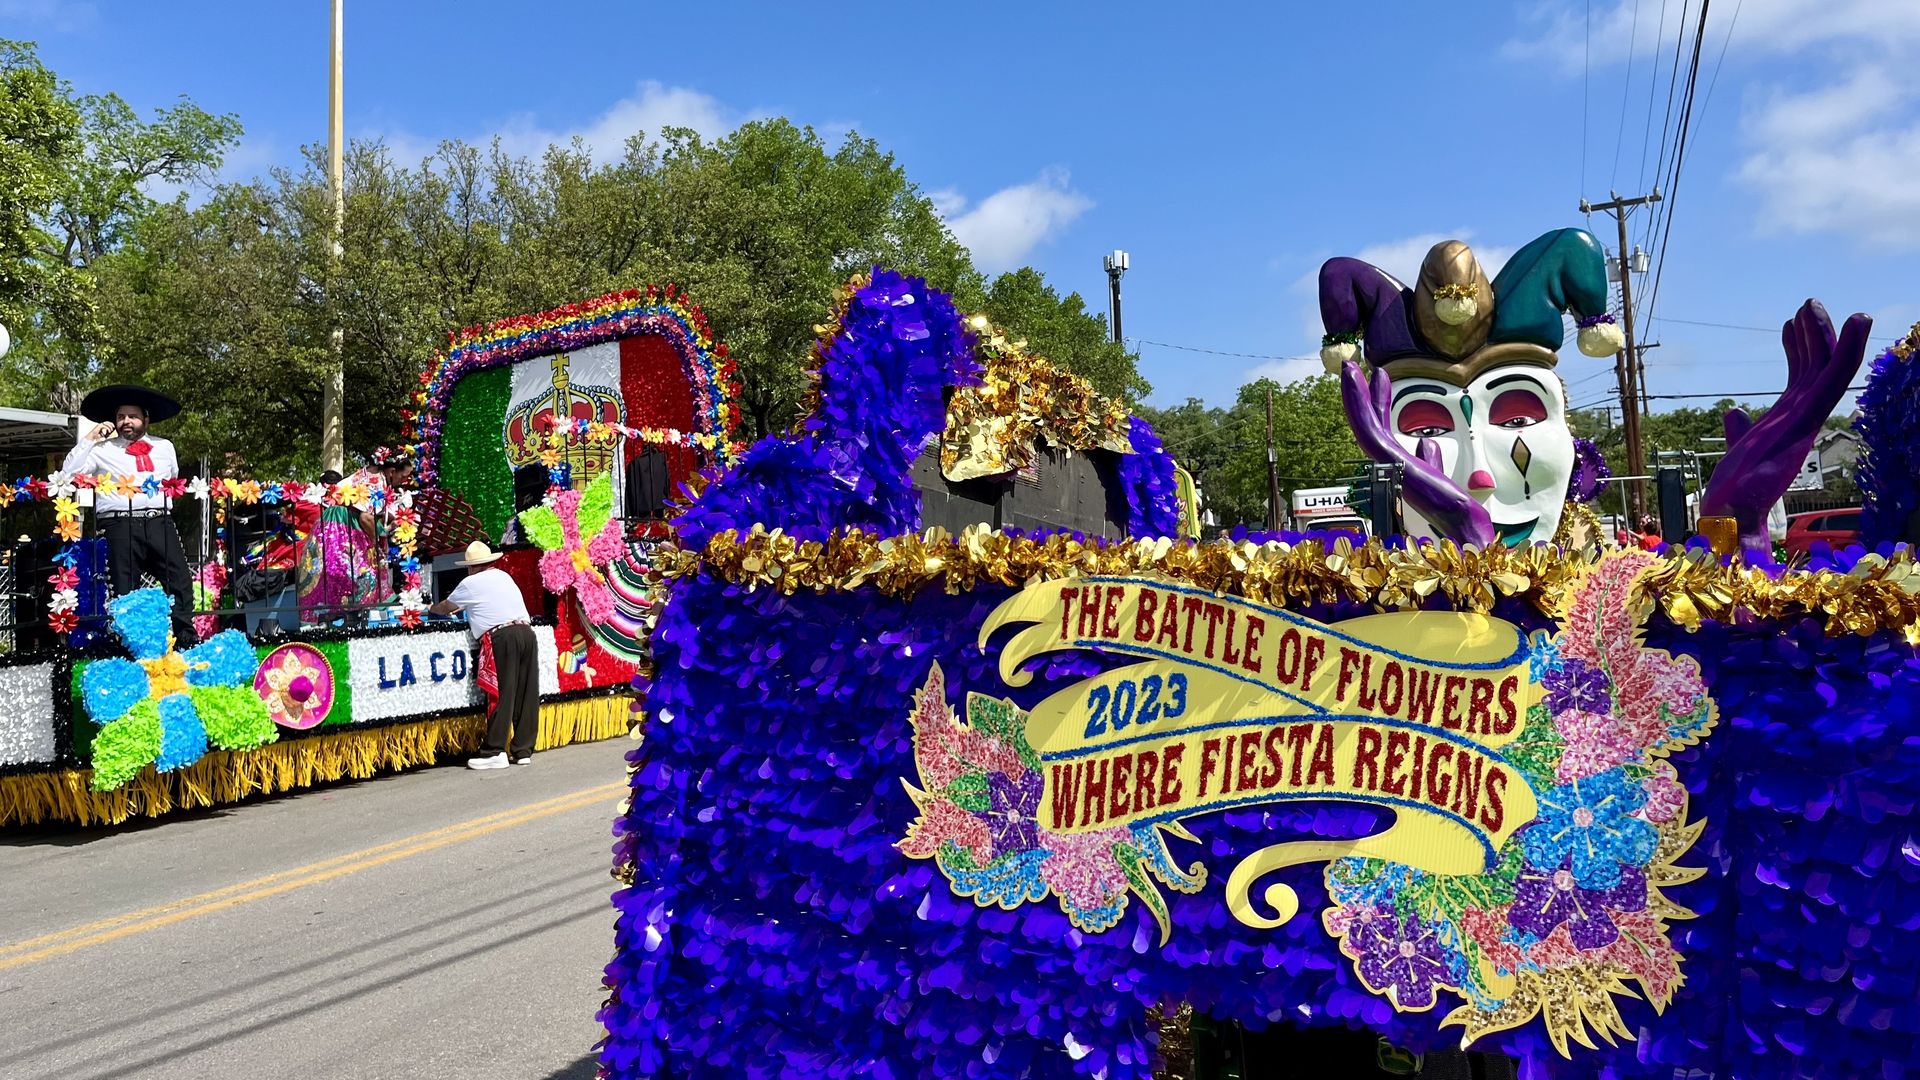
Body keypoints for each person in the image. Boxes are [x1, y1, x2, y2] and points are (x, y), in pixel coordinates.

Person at [61, 385, 198, 645]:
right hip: (119, 525)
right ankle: (131, 641)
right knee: (124, 587)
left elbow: (172, 478)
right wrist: (90, 438)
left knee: (179, 579)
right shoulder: (102, 450)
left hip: (159, 521)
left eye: (132, 416)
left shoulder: (164, 447)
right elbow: (69, 474)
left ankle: (185, 636)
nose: (126, 422)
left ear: (145, 419)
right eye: (121, 416)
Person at [430, 541, 539, 770]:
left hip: (503, 636)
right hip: (525, 632)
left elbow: (445, 607)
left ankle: (495, 751)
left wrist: (430, 609)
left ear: (472, 567)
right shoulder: (503, 576)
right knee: (525, 692)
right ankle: (522, 750)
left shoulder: (470, 583)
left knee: (502, 693)